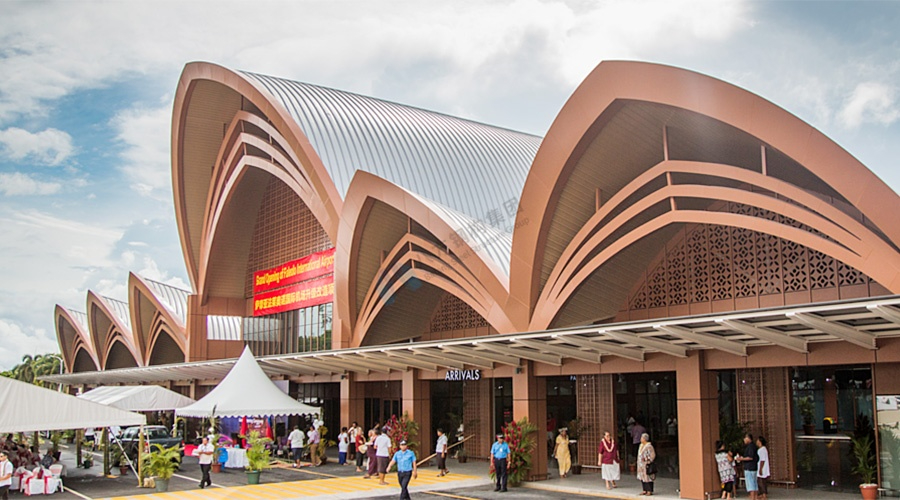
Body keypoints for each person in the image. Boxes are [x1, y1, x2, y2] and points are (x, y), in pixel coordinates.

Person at [736, 433, 759, 500]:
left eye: (745, 438)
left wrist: (741, 459)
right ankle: (755, 497)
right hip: (753, 467)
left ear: (748, 438)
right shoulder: (753, 446)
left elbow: (750, 457)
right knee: (754, 483)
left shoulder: (750, 447)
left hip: (749, 468)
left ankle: (752, 498)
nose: (744, 440)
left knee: (751, 484)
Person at [756, 436, 769, 500]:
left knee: (762, 482)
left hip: (762, 468)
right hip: (760, 467)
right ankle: (761, 494)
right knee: (759, 481)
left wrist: (761, 469)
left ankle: (764, 495)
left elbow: (762, 460)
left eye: (757, 440)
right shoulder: (760, 449)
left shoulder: (762, 450)